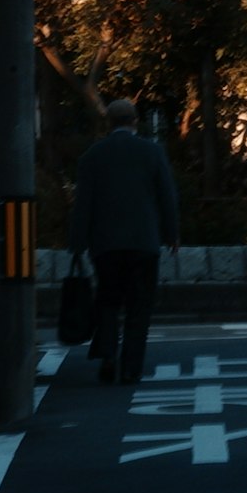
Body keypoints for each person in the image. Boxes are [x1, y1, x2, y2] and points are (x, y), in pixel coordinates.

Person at [67, 98, 178, 386]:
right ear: (134, 121)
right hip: (144, 242)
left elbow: (83, 204)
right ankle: (131, 368)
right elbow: (166, 196)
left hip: (105, 245)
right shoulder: (152, 152)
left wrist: (77, 242)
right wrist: (172, 234)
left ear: (109, 123)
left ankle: (108, 356)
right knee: (139, 307)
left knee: (108, 301)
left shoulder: (93, 155)